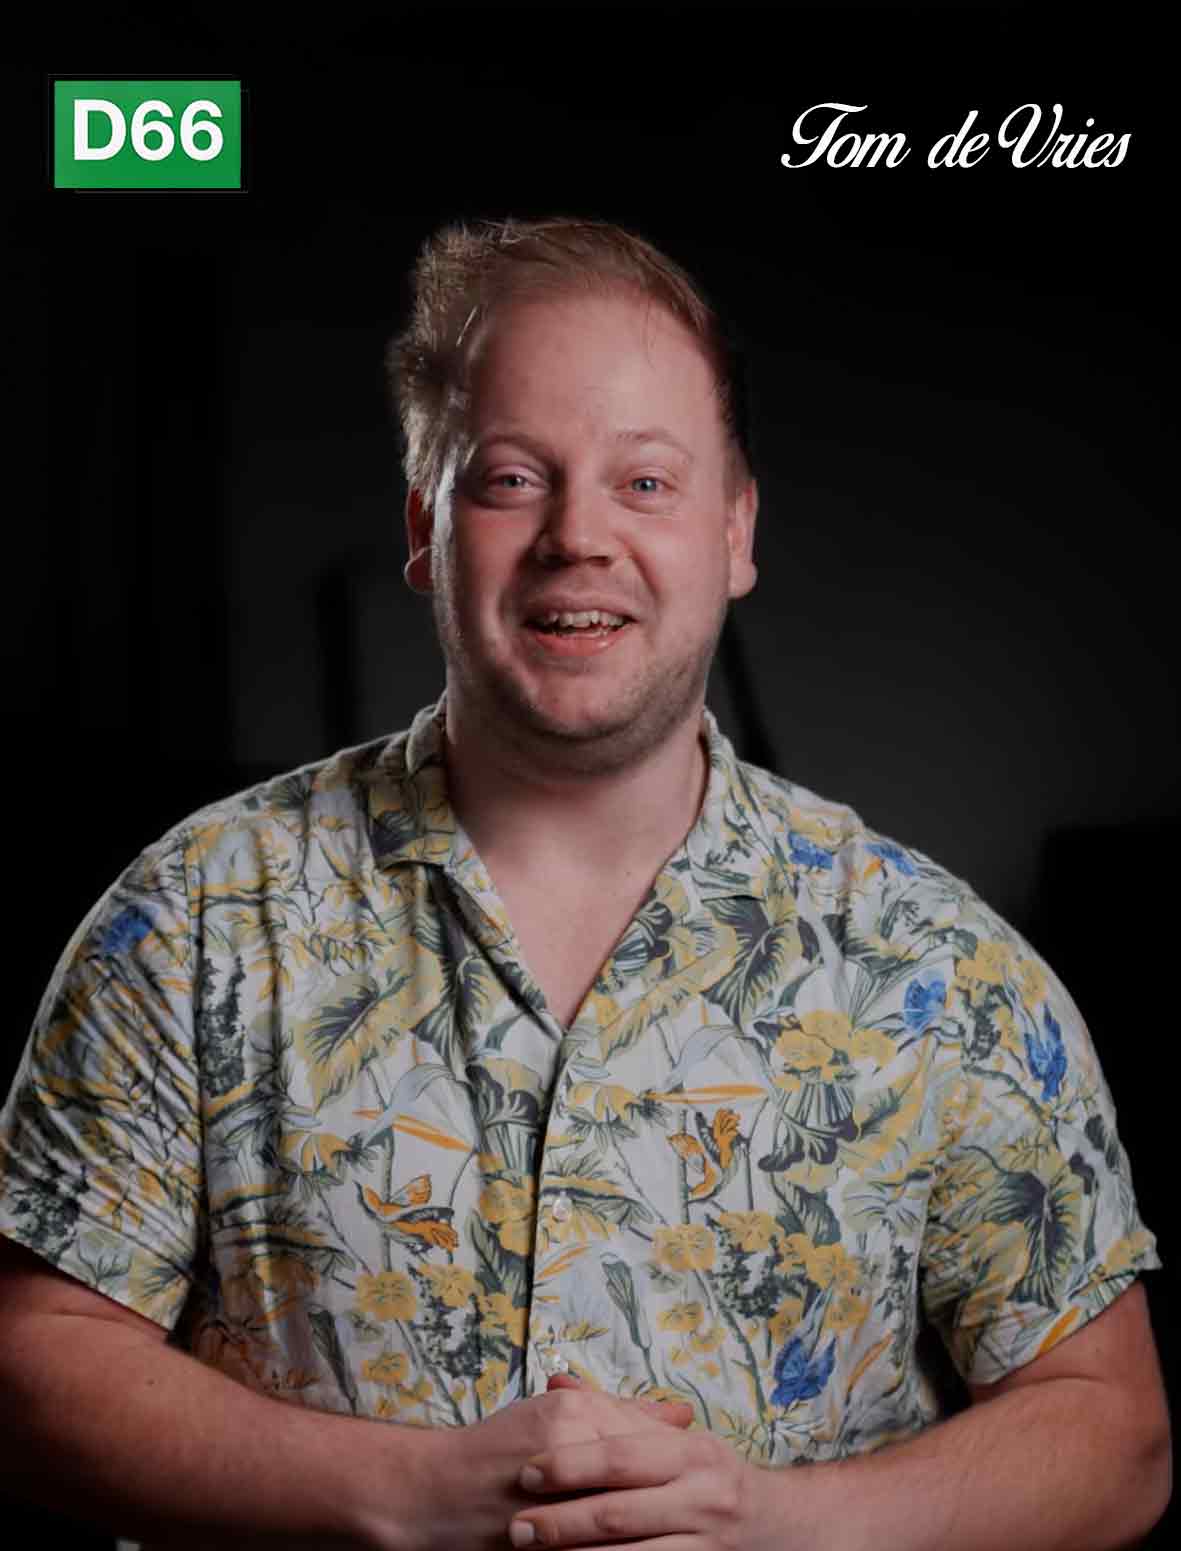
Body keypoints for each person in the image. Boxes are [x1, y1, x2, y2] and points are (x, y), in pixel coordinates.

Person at [0, 216, 1170, 1551]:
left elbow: (1111, 1435)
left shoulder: (939, 968)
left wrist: (774, 1525)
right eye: (511, 479)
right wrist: (410, 1500)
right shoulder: (194, 919)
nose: (577, 536)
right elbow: (31, 1362)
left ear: (735, 531)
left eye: (645, 482)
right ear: (424, 527)